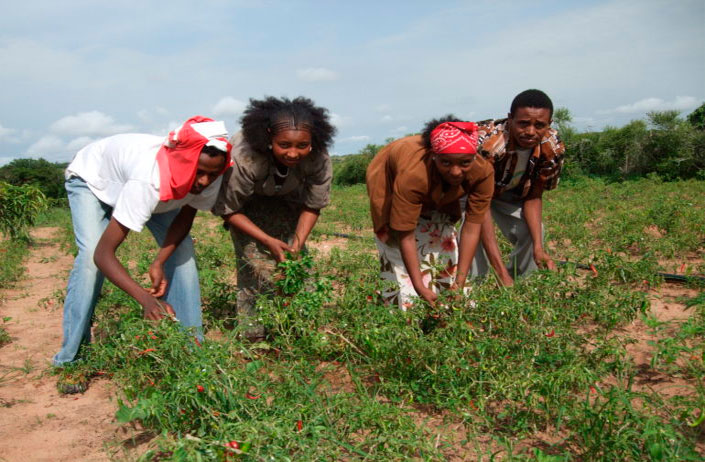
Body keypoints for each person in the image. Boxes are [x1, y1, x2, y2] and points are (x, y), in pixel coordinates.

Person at [53, 116, 232, 375]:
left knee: (182, 256)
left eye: (211, 174)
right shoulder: (148, 179)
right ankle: (71, 360)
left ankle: (190, 356)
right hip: (93, 181)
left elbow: (184, 218)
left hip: (160, 191)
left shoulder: (211, 174)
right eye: (199, 171)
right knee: (91, 263)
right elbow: (104, 255)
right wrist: (146, 299)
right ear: (183, 160)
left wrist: (160, 261)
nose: (204, 181)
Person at [213, 96, 336, 341]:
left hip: (290, 198)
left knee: (296, 266)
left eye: (302, 145)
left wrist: (297, 245)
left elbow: (313, 205)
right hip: (246, 205)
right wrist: (267, 240)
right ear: (269, 137)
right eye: (284, 145)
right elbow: (229, 209)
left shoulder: (318, 158)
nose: (293, 153)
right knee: (255, 266)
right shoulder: (244, 157)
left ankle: (299, 330)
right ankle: (253, 335)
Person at [366, 118, 494, 310]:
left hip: (431, 184)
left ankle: (447, 299)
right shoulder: (413, 175)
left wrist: (459, 281)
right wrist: (419, 286)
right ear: (434, 156)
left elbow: (472, 226)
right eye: (446, 162)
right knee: (394, 244)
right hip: (388, 176)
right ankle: (404, 308)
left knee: (442, 236)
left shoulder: (482, 172)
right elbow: (405, 233)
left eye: (465, 163)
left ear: (475, 157)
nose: (456, 171)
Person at [470, 89, 566, 286]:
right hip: (469, 193)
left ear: (549, 124)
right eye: (523, 123)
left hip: (506, 190)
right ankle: (471, 294)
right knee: (471, 241)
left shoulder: (552, 148)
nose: (531, 132)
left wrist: (538, 249)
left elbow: (533, 196)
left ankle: (520, 288)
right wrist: (499, 271)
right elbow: (481, 206)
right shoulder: (489, 144)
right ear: (510, 118)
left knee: (533, 231)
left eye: (539, 125)